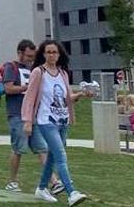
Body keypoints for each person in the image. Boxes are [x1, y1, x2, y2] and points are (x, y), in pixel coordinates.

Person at [21, 39, 92, 205]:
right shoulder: (39, 72)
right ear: (43, 54)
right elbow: (29, 97)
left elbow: (66, 98)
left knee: (53, 156)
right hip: (46, 120)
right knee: (60, 155)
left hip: (63, 120)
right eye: (48, 52)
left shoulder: (63, 73)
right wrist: (28, 121)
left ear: (60, 54)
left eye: (55, 52)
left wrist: (82, 94)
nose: (52, 55)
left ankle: (42, 188)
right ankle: (71, 192)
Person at [3, 39, 62, 195]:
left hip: (34, 115)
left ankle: (54, 182)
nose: (30, 59)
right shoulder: (11, 67)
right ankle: (12, 181)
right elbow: (8, 88)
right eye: (28, 56)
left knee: (42, 148)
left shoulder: (36, 68)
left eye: (32, 56)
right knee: (19, 148)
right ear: (20, 53)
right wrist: (27, 87)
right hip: (17, 113)